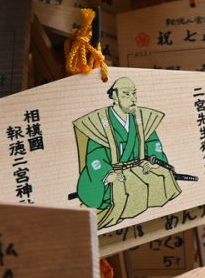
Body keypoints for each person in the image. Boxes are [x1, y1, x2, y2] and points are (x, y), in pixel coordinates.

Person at [72, 77, 182, 228]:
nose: (133, 99)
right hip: (113, 171)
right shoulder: (99, 122)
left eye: (134, 94)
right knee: (123, 188)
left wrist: (152, 161)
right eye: (126, 94)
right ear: (114, 97)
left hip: (138, 166)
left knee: (163, 175)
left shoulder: (141, 118)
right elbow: (95, 156)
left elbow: (153, 143)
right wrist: (107, 174)